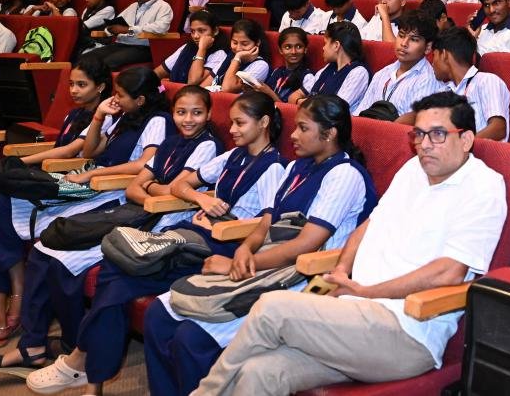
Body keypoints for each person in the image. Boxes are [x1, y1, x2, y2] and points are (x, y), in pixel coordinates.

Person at [189, 91, 504, 396]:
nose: (424, 145)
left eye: (437, 134)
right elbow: (368, 226)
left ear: (466, 139)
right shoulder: (413, 170)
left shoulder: (483, 186)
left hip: (405, 331)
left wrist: (366, 292)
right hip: (353, 316)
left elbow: (448, 273)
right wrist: (340, 271)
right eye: (418, 135)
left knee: (271, 308)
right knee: (259, 372)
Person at [144, 94, 378, 396]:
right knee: (159, 315)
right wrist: (245, 248)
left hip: (306, 277)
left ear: (329, 133)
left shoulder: (344, 175)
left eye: (303, 128)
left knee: (191, 338)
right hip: (270, 262)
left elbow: (306, 245)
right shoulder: (298, 167)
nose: (293, 135)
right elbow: (267, 221)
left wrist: (236, 264)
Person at [11, 86, 223, 388]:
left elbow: (174, 190)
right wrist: (152, 191)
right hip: (140, 214)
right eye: (181, 112)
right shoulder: (171, 142)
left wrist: (151, 190)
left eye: (197, 113)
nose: (188, 119)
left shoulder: (207, 146)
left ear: (209, 114)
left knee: (107, 272)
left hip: (168, 222)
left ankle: (83, 363)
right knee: (52, 249)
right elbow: (135, 188)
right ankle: (72, 353)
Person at [0, 67, 168, 347]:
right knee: (4, 202)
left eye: (121, 95)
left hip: (108, 189)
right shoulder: (122, 115)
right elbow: (89, 152)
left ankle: (8, 309)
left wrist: (94, 174)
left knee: (10, 206)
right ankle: (6, 301)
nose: (115, 99)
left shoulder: (157, 120)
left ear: (140, 100)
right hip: (87, 179)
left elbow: (143, 165)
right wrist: (100, 117)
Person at [357, 11, 441, 120]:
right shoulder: (382, 73)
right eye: (401, 36)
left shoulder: (427, 80)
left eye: (414, 39)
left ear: (428, 47)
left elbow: (414, 125)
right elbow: (360, 113)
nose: (404, 43)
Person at [431, 27, 510, 141]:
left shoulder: (486, 81)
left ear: (444, 55)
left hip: (481, 151)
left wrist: (460, 145)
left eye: (434, 56)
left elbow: (498, 129)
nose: (432, 63)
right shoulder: (442, 91)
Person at [79, 0, 174, 69]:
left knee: (107, 62)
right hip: (121, 44)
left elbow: (161, 28)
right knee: (85, 58)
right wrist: (110, 29)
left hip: (143, 47)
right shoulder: (133, 6)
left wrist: (128, 30)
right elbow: (115, 23)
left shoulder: (163, 7)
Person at [293, 22, 372, 110]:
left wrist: (304, 103)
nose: (323, 48)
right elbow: (293, 97)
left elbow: (335, 109)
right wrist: (302, 102)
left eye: (325, 43)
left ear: (336, 45)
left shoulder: (358, 72)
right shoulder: (329, 67)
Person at [153, 10, 230, 87]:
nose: (195, 36)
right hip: (174, 90)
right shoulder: (187, 47)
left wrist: (202, 49)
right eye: (192, 31)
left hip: (192, 93)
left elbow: (193, 81)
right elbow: (159, 72)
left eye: (201, 31)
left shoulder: (220, 54)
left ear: (215, 31)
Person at [255, 28, 312, 102]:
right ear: (280, 50)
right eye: (288, 47)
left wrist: (269, 93)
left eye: (299, 47)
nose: (293, 52)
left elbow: (290, 107)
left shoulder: (308, 77)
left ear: (305, 49)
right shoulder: (277, 71)